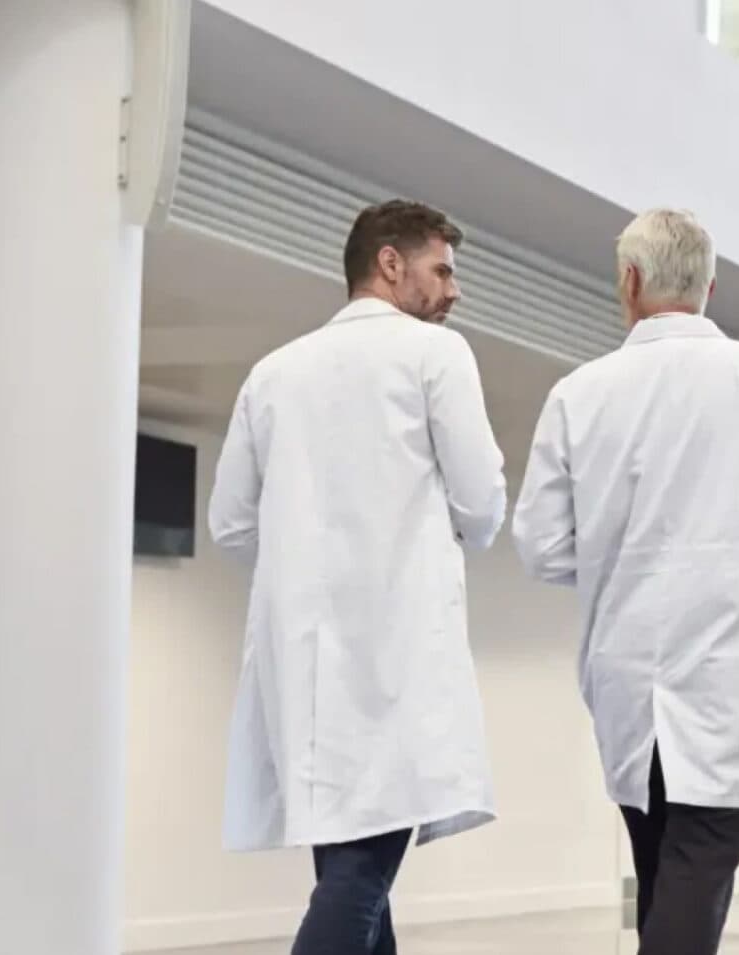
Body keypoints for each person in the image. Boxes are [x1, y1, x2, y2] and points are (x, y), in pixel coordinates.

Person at [513, 208, 739, 953]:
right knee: (691, 885)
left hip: (628, 685)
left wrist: (616, 562)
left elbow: (539, 546)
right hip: (730, 681)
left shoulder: (579, 393)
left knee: (669, 882)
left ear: (629, 282)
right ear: (709, 286)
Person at [208, 199, 508, 955]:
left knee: (352, 871)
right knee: (360, 880)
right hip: (398, 661)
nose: (454, 290)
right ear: (390, 263)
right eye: (442, 270)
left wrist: (304, 558)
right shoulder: (437, 356)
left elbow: (230, 523)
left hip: (306, 673)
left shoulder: (271, 374)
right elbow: (484, 504)